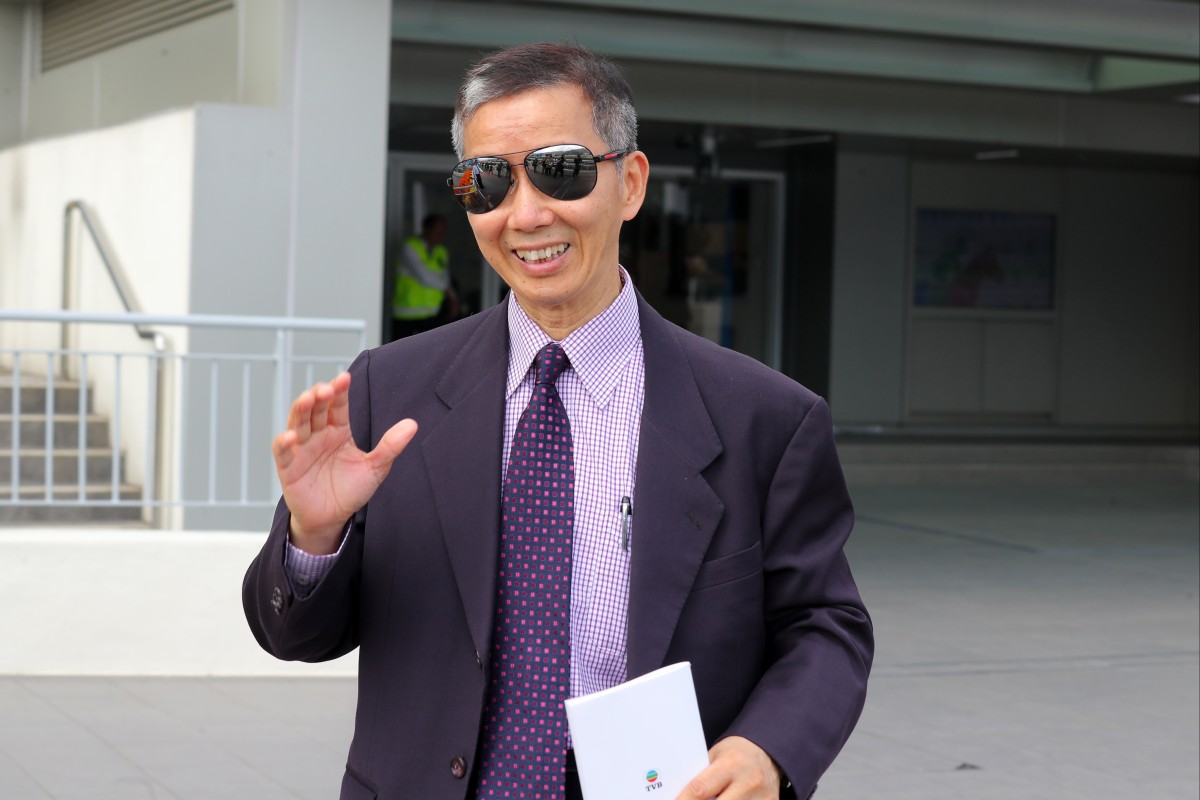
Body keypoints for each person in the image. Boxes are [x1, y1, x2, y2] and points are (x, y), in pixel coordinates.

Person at [244, 42, 872, 800]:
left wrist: (767, 749)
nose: (527, 214)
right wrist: (313, 540)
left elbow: (824, 626)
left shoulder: (765, 419)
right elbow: (294, 635)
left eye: (561, 170)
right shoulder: (389, 391)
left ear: (630, 183)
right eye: (489, 183)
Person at [392, 213, 459, 339]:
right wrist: (448, 292)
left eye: (443, 231)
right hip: (407, 315)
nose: (441, 234)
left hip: (432, 314)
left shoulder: (441, 251)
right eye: (437, 230)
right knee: (403, 355)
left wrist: (453, 298)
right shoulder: (410, 247)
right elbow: (425, 278)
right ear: (426, 229)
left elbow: (445, 278)